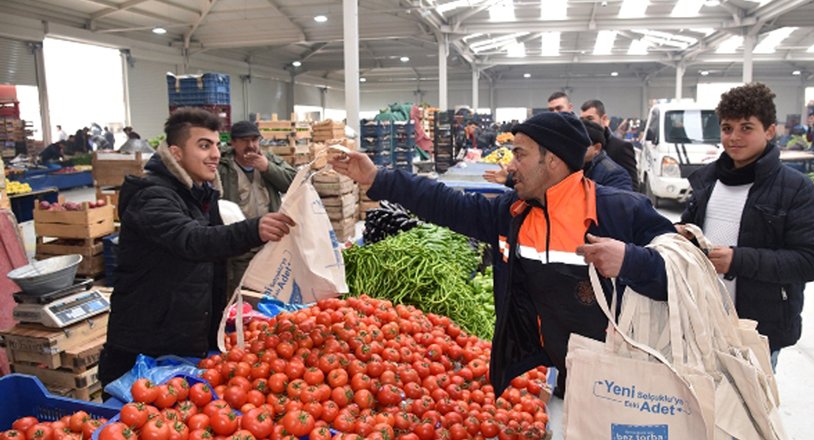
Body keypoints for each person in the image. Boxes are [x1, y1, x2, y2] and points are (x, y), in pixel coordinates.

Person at [331, 111, 675, 396]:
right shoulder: (515, 213)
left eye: (520, 154)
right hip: (561, 379)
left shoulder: (618, 211)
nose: (511, 166)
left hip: (624, 382)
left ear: (552, 160)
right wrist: (378, 177)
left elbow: (684, 275)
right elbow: (448, 205)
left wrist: (631, 260)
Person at [98, 108, 295, 387]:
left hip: (182, 339)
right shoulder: (151, 195)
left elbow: (213, 259)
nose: (215, 154)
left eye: (216, 145)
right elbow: (193, 240)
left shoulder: (200, 192)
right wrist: (254, 229)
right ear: (176, 153)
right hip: (143, 347)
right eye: (204, 145)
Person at [678, 83, 814, 371]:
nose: (734, 137)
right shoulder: (707, 181)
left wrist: (738, 260)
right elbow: (690, 227)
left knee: (749, 412)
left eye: (746, 128)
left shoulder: (796, 189)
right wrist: (684, 234)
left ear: (770, 131)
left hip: (758, 329)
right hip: (701, 321)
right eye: (727, 128)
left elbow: (812, 261)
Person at [218, 121, 297, 297]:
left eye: (255, 139)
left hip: (270, 243)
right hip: (240, 245)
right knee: (241, 295)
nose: (251, 145)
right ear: (233, 142)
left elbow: (295, 184)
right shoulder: (222, 167)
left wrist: (268, 168)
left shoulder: (269, 160)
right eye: (245, 140)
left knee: (271, 292)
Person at [482, 120, 632, 192]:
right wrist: (510, 179)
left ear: (596, 148)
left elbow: (621, 210)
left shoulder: (614, 174)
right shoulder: (572, 166)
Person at [580, 99, 639, 191]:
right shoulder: (578, 147)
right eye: (582, 120)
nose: (585, 124)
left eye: (590, 119)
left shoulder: (620, 147)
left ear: (604, 119)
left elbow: (633, 187)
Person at [581, 120, 633, 191]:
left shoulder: (615, 175)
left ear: (597, 148)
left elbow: (621, 200)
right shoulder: (570, 167)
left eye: (581, 144)